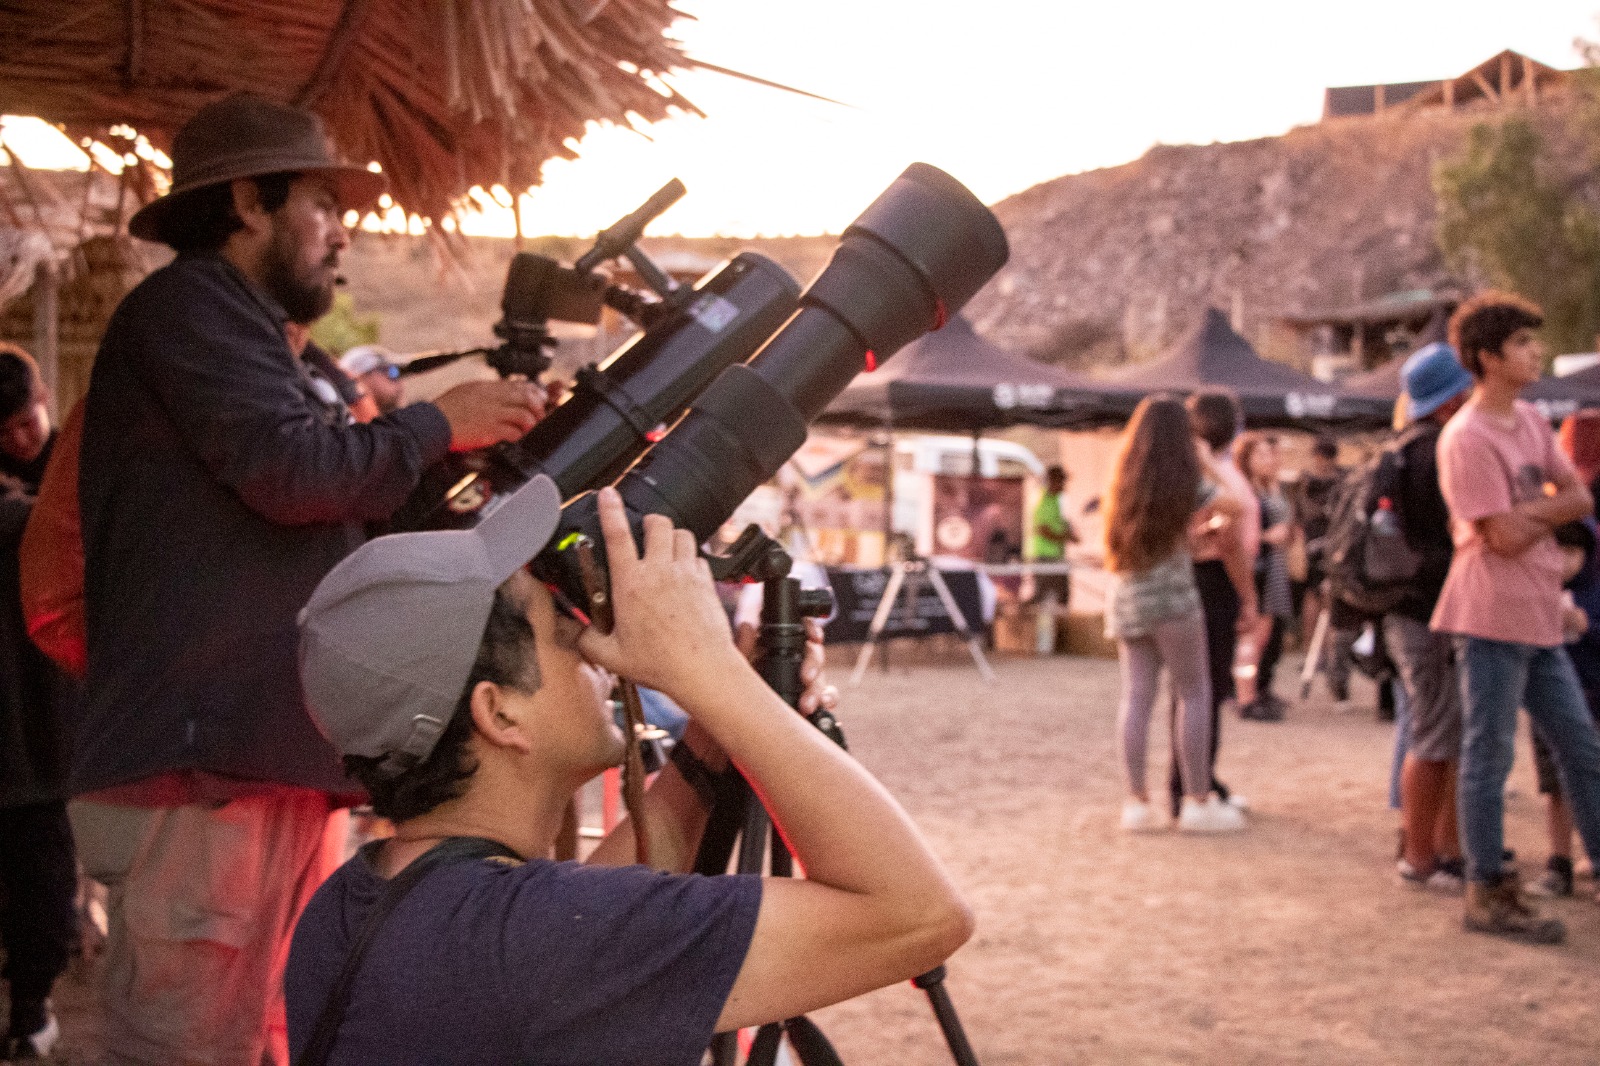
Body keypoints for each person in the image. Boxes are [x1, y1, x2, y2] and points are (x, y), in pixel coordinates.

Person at [69, 93, 548, 1065]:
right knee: (186, 1042)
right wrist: (434, 424)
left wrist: (498, 467)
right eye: (323, 204)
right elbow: (294, 473)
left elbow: (364, 504)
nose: (342, 231)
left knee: (271, 1035)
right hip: (200, 764)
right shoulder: (188, 306)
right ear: (250, 201)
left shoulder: (286, 352)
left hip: (262, 759)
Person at [285, 479, 973, 1063]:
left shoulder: (355, 903)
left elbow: (596, 907)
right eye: (562, 632)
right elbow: (919, 916)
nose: (593, 647)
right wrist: (712, 674)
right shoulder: (535, 942)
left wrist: (714, 732)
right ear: (500, 716)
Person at [1431, 290, 1600, 943]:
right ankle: (1487, 891)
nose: (1536, 352)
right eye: (1524, 343)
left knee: (1581, 748)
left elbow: (1577, 495)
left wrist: (1527, 516)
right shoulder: (1467, 437)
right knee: (1489, 753)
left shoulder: (1529, 419)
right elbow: (1496, 539)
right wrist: (1543, 516)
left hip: (1536, 610)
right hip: (1490, 612)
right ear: (1487, 357)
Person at [1103, 396, 1246, 833]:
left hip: (1127, 596)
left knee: (1136, 699)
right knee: (1195, 693)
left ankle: (1137, 803)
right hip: (1174, 600)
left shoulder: (1124, 480)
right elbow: (1236, 505)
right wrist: (1208, 463)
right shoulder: (1185, 481)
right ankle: (1197, 802)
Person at [0, 345, 75, 1059]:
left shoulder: (68, 484)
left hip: (46, 722)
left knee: (42, 874)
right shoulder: (35, 512)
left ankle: (30, 1008)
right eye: (7, 432)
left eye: (27, 421)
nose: (23, 439)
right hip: (28, 721)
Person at [1384, 342, 1472, 894]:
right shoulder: (1436, 453)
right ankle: (1421, 855)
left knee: (1434, 726)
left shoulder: (1402, 448)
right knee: (1436, 731)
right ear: (1451, 398)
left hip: (1405, 608)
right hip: (1430, 609)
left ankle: (1438, 845)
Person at [1169, 389, 1259, 817]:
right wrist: (1248, 597)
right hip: (1215, 581)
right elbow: (1230, 542)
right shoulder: (1216, 478)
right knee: (1204, 689)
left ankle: (1196, 777)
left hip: (1199, 580)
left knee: (1190, 690)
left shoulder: (1188, 474)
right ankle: (1193, 783)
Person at [1234, 432, 1294, 722]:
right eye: (1261, 454)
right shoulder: (1244, 490)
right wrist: (1267, 536)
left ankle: (1257, 690)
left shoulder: (1272, 489)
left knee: (1267, 636)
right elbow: (1237, 535)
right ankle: (1245, 696)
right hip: (1256, 569)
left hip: (1273, 568)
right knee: (1252, 638)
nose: (1270, 459)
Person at [1291, 433, 1353, 702]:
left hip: (1316, 545)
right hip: (1333, 546)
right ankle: (1321, 657)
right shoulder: (1342, 481)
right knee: (1324, 601)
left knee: (1318, 600)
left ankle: (1315, 656)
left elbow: (1298, 515)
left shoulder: (1305, 483)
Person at [1029, 464, 1077, 654]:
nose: (1064, 484)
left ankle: (1055, 644)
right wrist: (1065, 537)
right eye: (1061, 481)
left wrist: (1068, 533)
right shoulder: (1044, 501)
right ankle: (1044, 646)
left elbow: (1058, 526)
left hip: (1055, 556)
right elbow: (1043, 529)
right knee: (1046, 601)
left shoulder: (1056, 501)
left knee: (1061, 599)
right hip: (1046, 557)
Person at [339, 343, 404, 416]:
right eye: (387, 369)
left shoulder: (399, 422)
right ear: (358, 379)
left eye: (397, 369)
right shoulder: (347, 424)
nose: (395, 374)